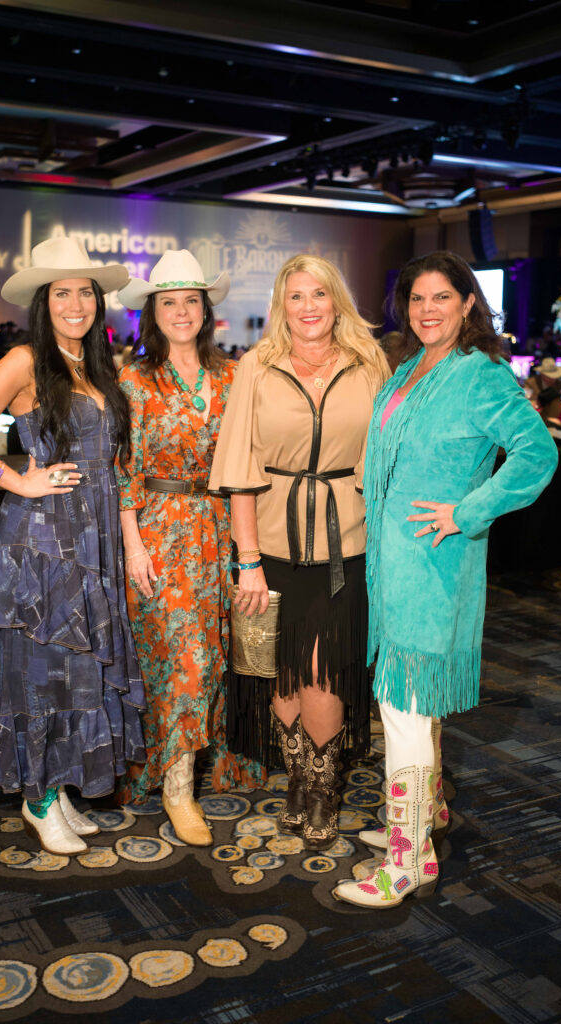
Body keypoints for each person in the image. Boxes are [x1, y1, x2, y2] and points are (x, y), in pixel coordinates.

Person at [332, 251, 558, 909]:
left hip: (433, 566)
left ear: (467, 304)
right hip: (389, 562)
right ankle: (422, 819)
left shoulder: (482, 375)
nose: (428, 310)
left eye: (441, 298)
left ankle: (407, 863)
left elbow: (537, 454)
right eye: (417, 299)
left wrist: (467, 510)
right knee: (412, 709)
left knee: (403, 711)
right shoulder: (408, 370)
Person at [0, 236, 145, 857]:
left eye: (85, 291)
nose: (76, 302)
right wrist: (17, 480)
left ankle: (60, 786)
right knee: (43, 670)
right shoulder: (26, 360)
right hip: (47, 538)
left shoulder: (94, 365)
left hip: (95, 535)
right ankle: (38, 798)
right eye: (62, 292)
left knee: (80, 666)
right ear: (42, 302)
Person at [209, 253, 389, 852]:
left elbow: (387, 456)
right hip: (275, 542)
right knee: (283, 669)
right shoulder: (255, 368)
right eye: (296, 296)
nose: (309, 306)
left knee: (326, 668)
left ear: (337, 299)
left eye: (319, 294)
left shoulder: (370, 365)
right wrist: (249, 560)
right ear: (280, 307)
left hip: (350, 541)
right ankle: (300, 784)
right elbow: (238, 469)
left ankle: (322, 789)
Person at [115, 250, 265, 846]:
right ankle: (177, 788)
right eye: (169, 302)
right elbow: (123, 470)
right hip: (158, 529)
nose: (181, 311)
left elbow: (251, 458)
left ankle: (215, 761)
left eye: (191, 301)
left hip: (225, 528)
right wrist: (132, 546)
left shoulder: (234, 375)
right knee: (181, 661)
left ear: (207, 310)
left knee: (222, 652)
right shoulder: (134, 379)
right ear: (154, 312)